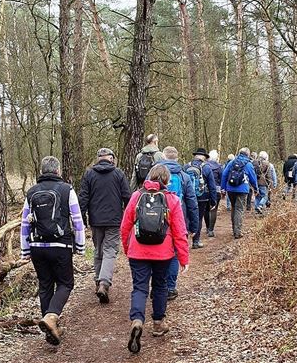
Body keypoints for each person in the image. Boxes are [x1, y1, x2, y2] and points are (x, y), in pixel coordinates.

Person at [121, 164, 189, 354]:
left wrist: (128, 248)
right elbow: (180, 232)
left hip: (138, 251)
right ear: (167, 181)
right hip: (163, 253)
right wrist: (183, 258)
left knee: (139, 287)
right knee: (160, 286)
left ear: (149, 177)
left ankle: (137, 320)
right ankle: (158, 323)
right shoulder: (172, 200)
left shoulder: (136, 197)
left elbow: (125, 226)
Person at [20, 156, 85, 346]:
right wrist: (80, 246)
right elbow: (77, 220)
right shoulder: (66, 190)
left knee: (45, 285)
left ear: (42, 171)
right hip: (61, 245)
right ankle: (51, 318)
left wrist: (25, 250)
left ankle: (50, 328)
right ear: (58, 171)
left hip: (37, 247)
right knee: (65, 283)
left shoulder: (31, 192)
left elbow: (25, 223)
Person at [79, 148, 131, 303]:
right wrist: (130, 218)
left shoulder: (89, 174)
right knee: (109, 251)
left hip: (96, 220)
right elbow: (127, 196)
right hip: (114, 220)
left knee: (98, 250)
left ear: (98, 159)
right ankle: (104, 282)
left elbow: (83, 197)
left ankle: (98, 281)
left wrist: (82, 218)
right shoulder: (118, 174)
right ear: (111, 159)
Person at [159, 146, 198, 300]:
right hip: (178, 218)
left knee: (157, 251)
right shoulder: (184, 176)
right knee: (174, 254)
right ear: (176, 158)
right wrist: (194, 226)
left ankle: (158, 286)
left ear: (163, 156)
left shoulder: (154, 173)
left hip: (155, 220)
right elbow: (192, 202)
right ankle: (170, 287)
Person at [221, 147, 258, 239]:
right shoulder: (248, 164)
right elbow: (253, 178)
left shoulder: (232, 162)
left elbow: (224, 174)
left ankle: (234, 230)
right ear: (248, 155)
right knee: (239, 209)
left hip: (230, 188)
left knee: (234, 208)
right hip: (243, 189)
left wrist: (223, 188)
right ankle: (238, 232)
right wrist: (256, 189)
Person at [184, 148, 217, 248]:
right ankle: (196, 241)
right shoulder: (206, 167)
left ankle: (184, 241)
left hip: (187, 196)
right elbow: (212, 186)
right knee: (198, 218)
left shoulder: (186, 166)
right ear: (204, 157)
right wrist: (213, 200)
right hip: (202, 197)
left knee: (186, 217)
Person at [204, 150, 222, 237]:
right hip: (216, 189)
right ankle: (211, 230)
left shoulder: (204, 166)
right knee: (213, 209)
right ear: (217, 158)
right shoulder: (219, 167)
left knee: (206, 209)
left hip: (205, 190)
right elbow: (222, 178)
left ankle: (207, 227)